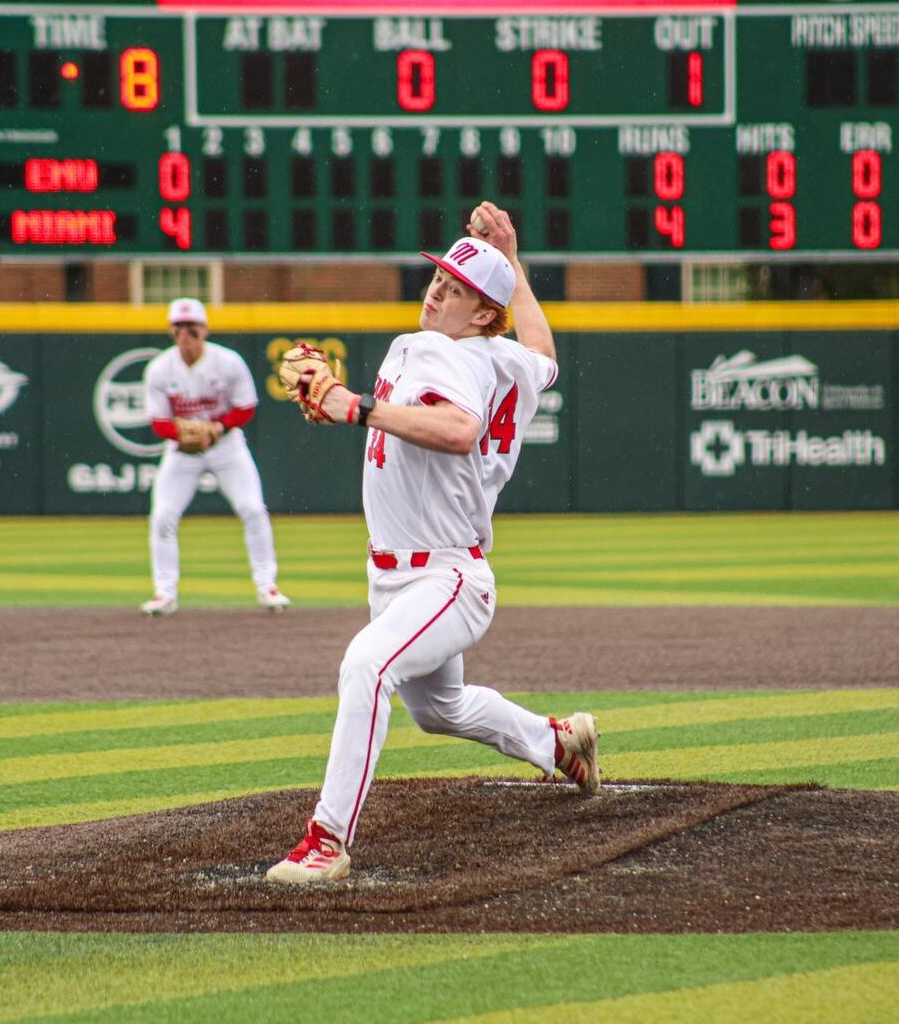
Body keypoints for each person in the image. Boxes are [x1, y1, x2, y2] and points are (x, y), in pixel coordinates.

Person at [265, 201, 597, 884]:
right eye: (438, 277)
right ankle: (558, 742)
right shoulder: (502, 358)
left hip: (444, 576)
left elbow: (458, 431)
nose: (436, 288)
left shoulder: (439, 352)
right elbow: (544, 354)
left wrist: (354, 405)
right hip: (404, 573)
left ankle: (326, 840)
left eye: (455, 287)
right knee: (439, 709)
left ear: (479, 314)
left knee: (366, 667)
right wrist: (513, 261)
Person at [139, 297, 290, 616]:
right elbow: (158, 421)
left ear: (205, 329)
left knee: (252, 508)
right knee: (163, 515)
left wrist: (218, 428)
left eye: (191, 327)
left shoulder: (228, 361)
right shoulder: (160, 369)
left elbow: (246, 406)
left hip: (226, 447)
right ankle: (164, 593)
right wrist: (183, 434)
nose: (185, 334)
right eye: (179, 328)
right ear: (171, 331)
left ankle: (267, 586)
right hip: (183, 453)